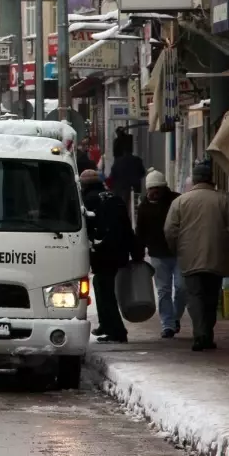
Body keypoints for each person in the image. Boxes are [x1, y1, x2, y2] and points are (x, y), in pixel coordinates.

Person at [164, 159, 229, 352]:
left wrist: (177, 249)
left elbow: (169, 230)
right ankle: (206, 333)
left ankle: (201, 335)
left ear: (195, 180)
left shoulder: (180, 202)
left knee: (195, 297)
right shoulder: (223, 200)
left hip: (189, 259)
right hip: (216, 257)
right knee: (210, 298)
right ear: (211, 180)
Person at [81, 169, 140, 344]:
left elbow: (88, 228)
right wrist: (134, 250)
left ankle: (117, 331)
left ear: (84, 185)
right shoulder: (114, 198)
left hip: (103, 252)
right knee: (101, 286)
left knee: (105, 291)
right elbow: (127, 226)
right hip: (119, 251)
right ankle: (106, 324)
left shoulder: (89, 200)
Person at [135, 169, 184, 338]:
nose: (154, 192)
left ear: (164, 188)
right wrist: (138, 254)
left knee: (181, 287)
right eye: (151, 188)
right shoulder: (144, 208)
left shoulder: (176, 201)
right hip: (157, 254)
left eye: (158, 188)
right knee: (163, 291)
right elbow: (140, 232)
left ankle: (175, 318)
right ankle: (167, 325)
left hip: (179, 252)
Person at [108, 129, 145, 215]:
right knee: (135, 210)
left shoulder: (118, 162)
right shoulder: (137, 160)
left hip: (120, 189)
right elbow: (142, 172)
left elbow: (113, 175)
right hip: (135, 188)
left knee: (122, 209)